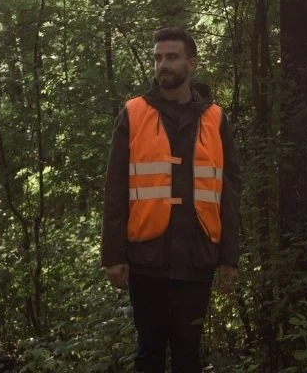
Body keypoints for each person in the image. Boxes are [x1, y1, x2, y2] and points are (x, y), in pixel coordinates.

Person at [102, 27, 242, 373]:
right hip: (147, 256)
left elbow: (229, 192)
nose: (162, 64)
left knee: (188, 353)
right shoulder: (134, 114)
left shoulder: (215, 119)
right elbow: (115, 188)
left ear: (191, 64)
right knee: (149, 351)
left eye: (172, 57)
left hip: (197, 257)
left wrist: (229, 258)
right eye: (158, 58)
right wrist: (113, 255)